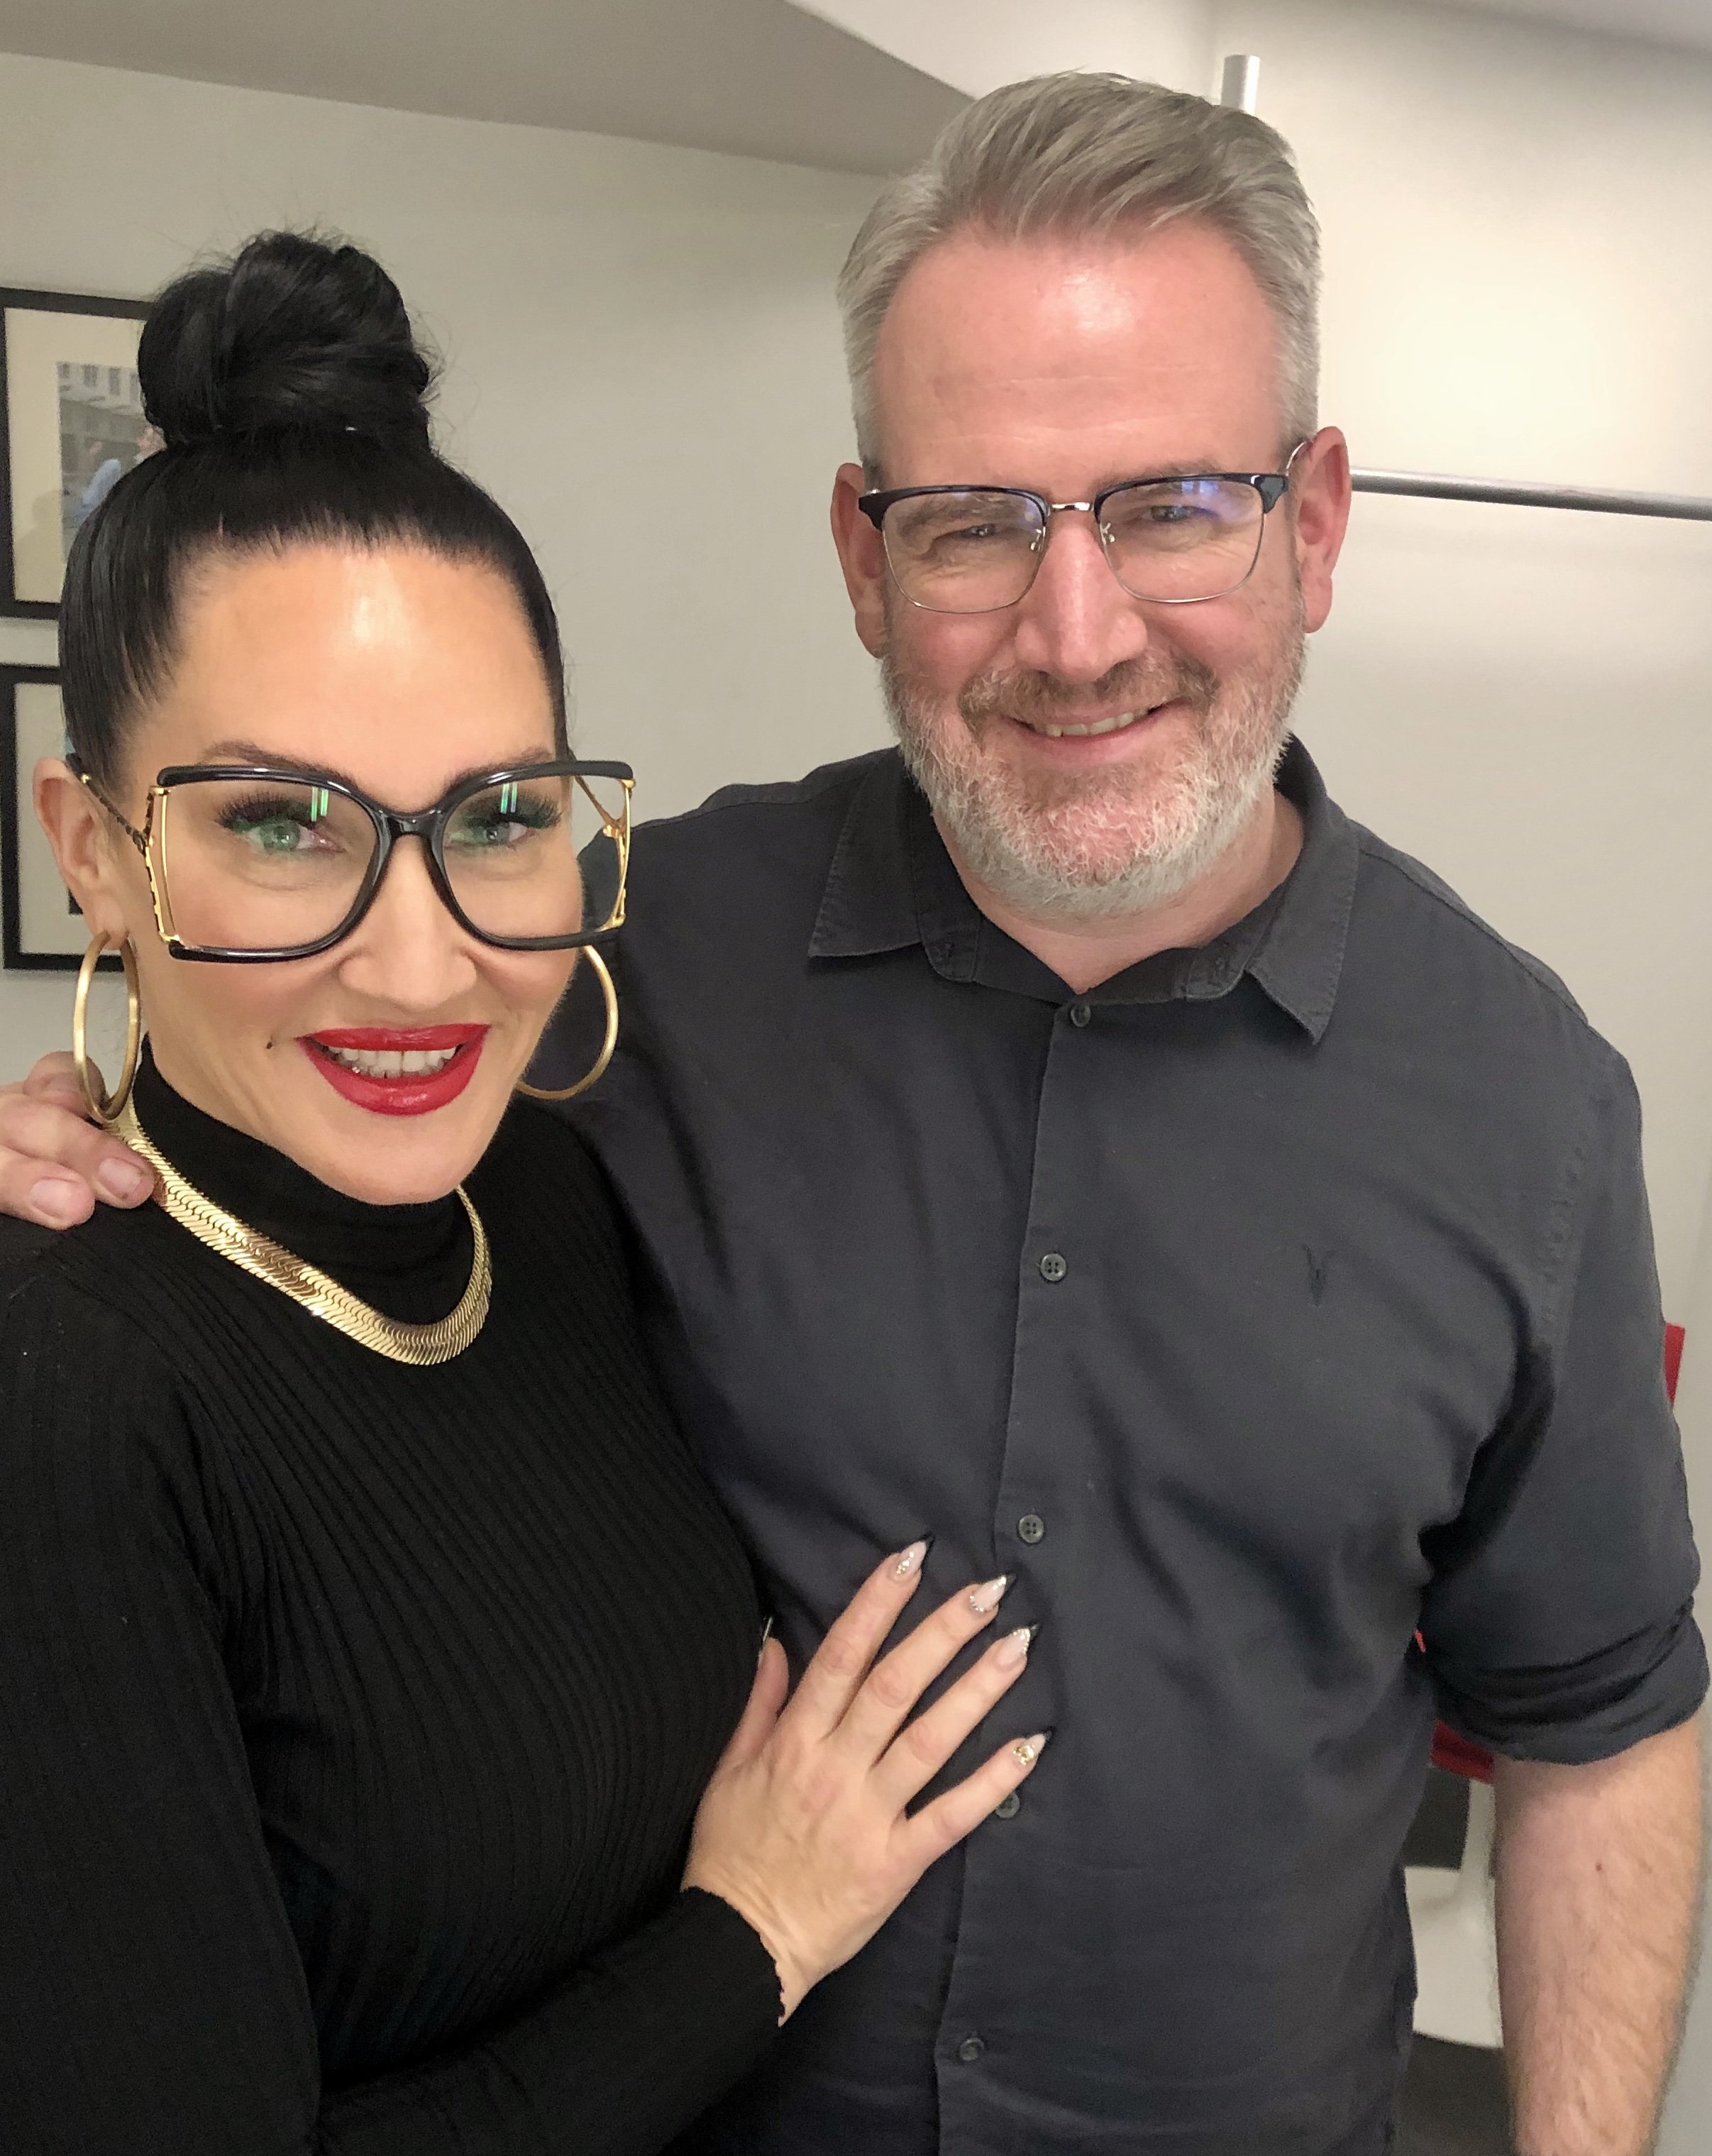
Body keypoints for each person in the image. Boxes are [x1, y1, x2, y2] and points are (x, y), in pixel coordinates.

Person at [4, 75, 1705, 2156]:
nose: (1077, 637)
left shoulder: (1524, 1107)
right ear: (863, 558)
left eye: (1171, 503)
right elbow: (323, 1070)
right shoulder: (637, 959)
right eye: (977, 521)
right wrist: (75, 1144)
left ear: (1316, 524)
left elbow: (1602, 1722)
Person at [0, 230, 1048, 2155]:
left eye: (498, 818)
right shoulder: (65, 1401)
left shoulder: (548, 1202)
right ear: (92, 851)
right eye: (281, 827)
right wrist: (757, 1930)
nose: (422, 964)